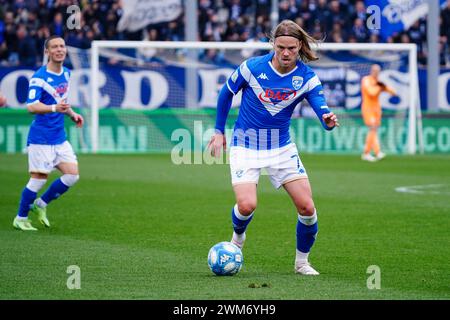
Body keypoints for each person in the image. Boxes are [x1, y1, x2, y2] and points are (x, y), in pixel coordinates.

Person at [208, 20, 339, 275]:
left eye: (291, 47)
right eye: (281, 47)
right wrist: (218, 131)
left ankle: (302, 262)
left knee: (307, 208)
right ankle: (238, 237)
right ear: (273, 45)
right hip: (245, 146)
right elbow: (225, 94)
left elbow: (322, 111)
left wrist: (328, 121)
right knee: (246, 206)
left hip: (281, 148)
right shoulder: (252, 68)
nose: (286, 53)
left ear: (300, 46)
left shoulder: (307, 78)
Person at [13, 35, 84, 231]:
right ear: (47, 52)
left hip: (59, 136)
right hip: (41, 138)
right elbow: (31, 106)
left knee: (72, 175)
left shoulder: (67, 73)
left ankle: (41, 205)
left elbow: (62, 101)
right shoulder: (39, 77)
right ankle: (20, 218)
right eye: (55, 47)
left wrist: (72, 114)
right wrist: (54, 109)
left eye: (62, 46)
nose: (60, 49)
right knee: (38, 179)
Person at [360, 64, 397, 162]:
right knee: (372, 128)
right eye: (375, 70)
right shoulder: (366, 80)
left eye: (378, 71)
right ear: (371, 71)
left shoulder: (378, 82)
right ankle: (369, 153)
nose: (376, 72)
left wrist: (386, 87)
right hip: (368, 108)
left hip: (376, 109)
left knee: (374, 130)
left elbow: (393, 92)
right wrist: (380, 87)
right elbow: (371, 92)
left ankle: (375, 152)